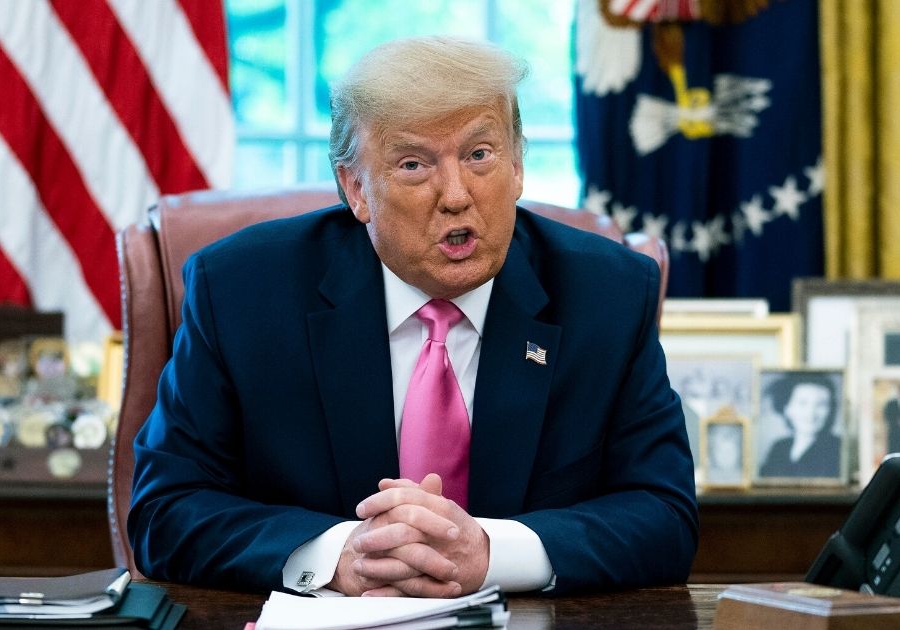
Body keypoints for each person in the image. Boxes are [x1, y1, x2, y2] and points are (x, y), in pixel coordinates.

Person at [128, 36, 697, 598]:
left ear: (519, 165)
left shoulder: (608, 294)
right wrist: (339, 555)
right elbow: (164, 509)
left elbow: (665, 516)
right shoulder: (242, 292)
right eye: (413, 164)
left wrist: (492, 554)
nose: (456, 195)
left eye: (480, 155)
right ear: (356, 189)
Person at [758, 374, 841, 478]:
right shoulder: (779, 448)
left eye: (821, 404)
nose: (811, 413)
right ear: (787, 408)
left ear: (830, 410)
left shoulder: (837, 449)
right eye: (802, 403)